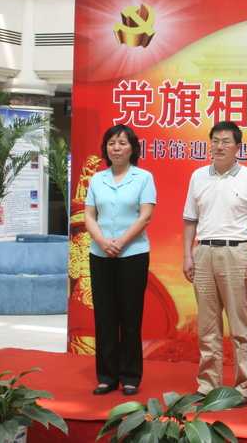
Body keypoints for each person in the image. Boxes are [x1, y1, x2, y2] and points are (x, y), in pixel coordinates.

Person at [182, 120, 247, 408]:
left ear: (237, 147)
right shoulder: (198, 176)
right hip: (203, 252)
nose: (219, 146)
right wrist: (187, 255)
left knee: (239, 326)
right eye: (215, 141)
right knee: (207, 326)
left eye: (226, 141)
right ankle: (208, 385)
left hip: (237, 252)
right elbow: (190, 220)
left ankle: (244, 387)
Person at [85, 124, 156, 396]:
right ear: (105, 149)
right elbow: (89, 215)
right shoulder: (97, 179)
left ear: (133, 148)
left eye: (122, 143)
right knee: (104, 315)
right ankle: (106, 376)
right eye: (112, 143)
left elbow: (145, 216)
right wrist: (103, 241)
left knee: (129, 316)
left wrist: (120, 242)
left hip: (133, 255)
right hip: (100, 254)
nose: (116, 148)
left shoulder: (144, 177)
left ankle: (130, 376)